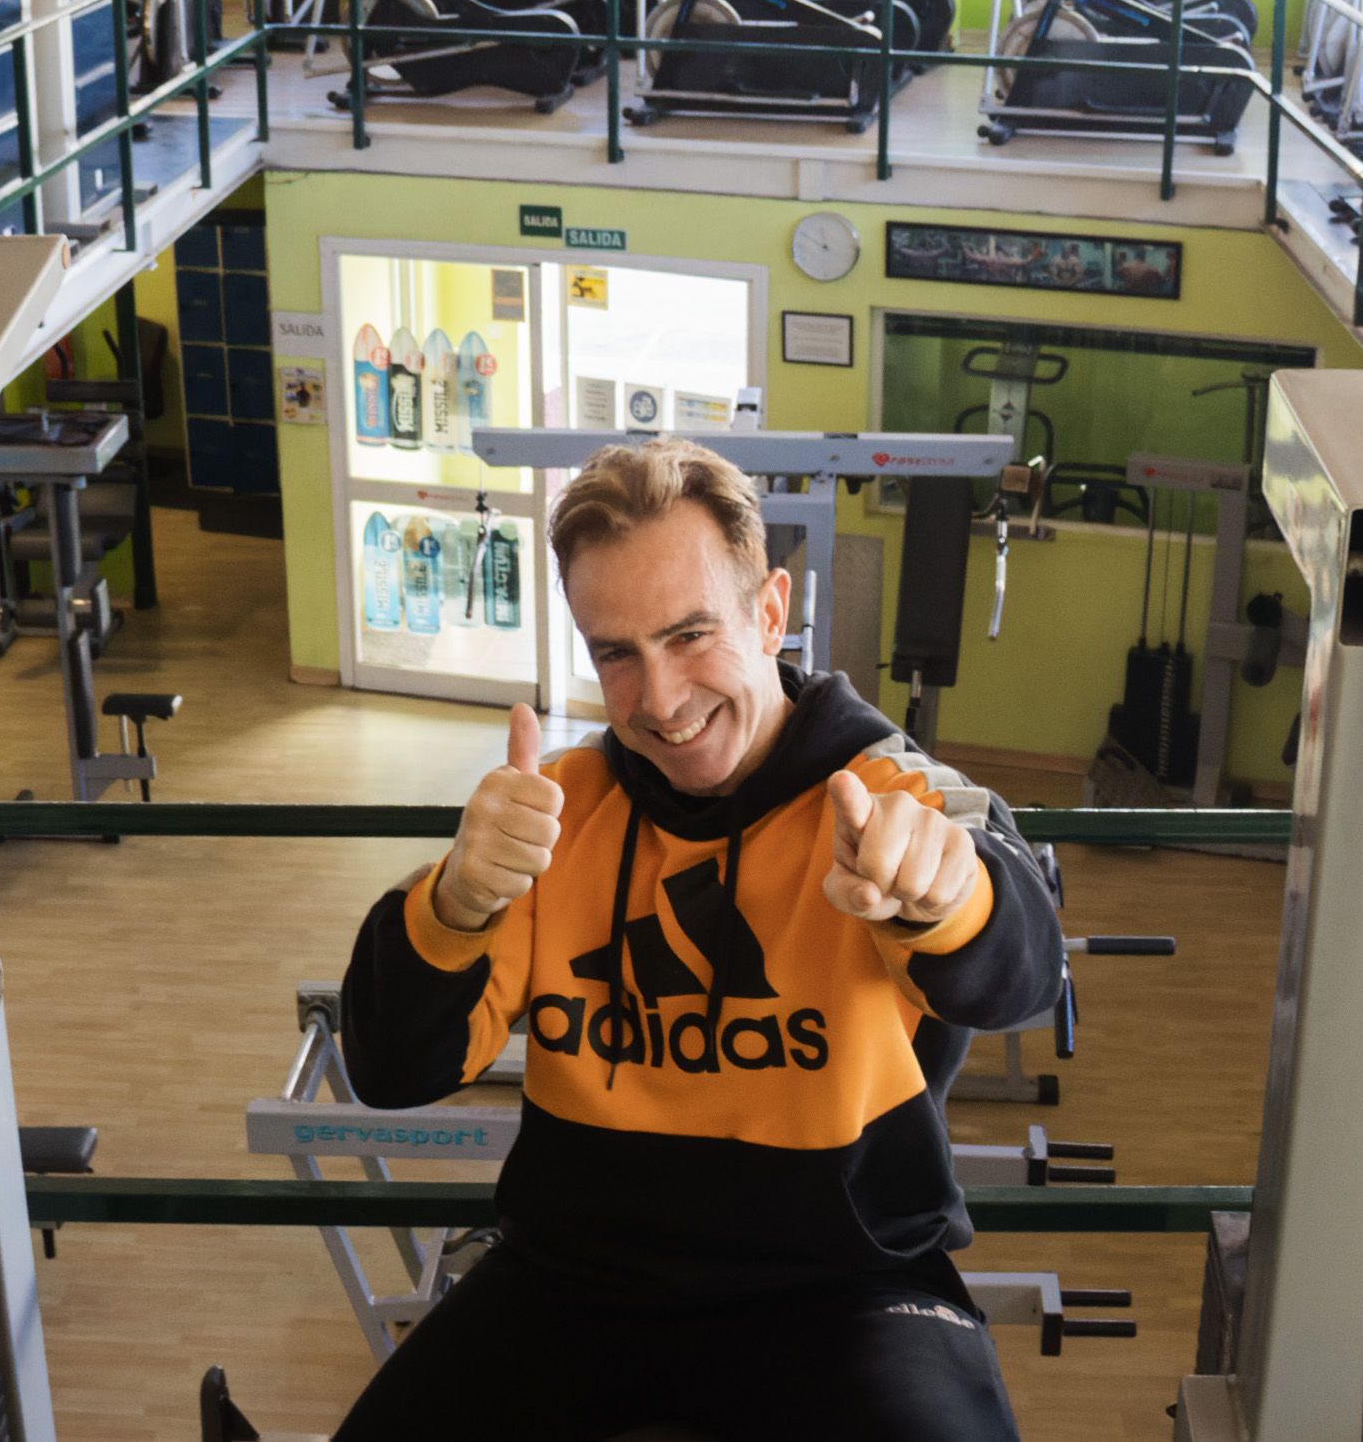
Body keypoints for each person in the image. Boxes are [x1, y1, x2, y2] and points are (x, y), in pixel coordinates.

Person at [336, 437, 1066, 1442]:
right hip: (572, 1279)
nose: (662, 698)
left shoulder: (889, 790)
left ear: (769, 611)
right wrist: (456, 900)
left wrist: (945, 893)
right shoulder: (555, 811)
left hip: (845, 1287)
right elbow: (387, 1067)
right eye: (616, 653)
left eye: (690, 634)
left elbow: (1025, 966)